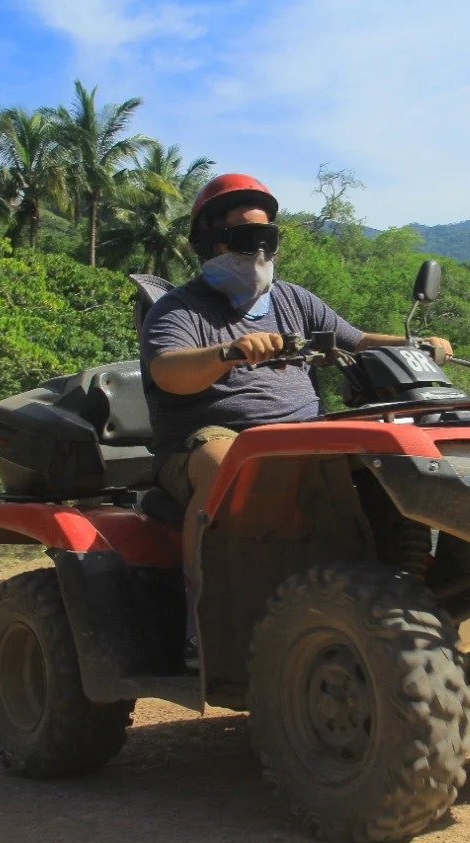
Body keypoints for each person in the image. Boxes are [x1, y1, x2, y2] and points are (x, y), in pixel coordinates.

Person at [138, 173, 452, 640]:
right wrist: (228, 351)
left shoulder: (292, 299)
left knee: (396, 456)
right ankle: (203, 619)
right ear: (212, 242)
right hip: (209, 438)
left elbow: (358, 342)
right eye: (246, 237)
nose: (259, 251)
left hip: (303, 433)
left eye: (267, 237)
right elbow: (168, 370)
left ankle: (413, 592)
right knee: (226, 463)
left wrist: (415, 344)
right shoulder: (180, 309)